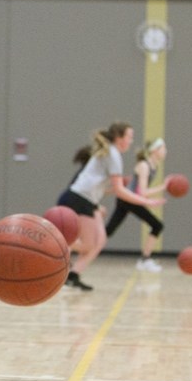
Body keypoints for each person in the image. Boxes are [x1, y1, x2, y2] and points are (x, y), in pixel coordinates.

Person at [57, 122, 164, 291]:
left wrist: (114, 188)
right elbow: (121, 192)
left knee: (100, 241)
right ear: (119, 138)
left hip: (88, 200)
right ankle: (55, 244)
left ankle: (73, 275)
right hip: (78, 199)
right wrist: (147, 201)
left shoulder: (110, 153)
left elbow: (107, 189)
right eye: (129, 136)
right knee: (88, 245)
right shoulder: (113, 155)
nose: (131, 140)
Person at [105, 138, 168, 273]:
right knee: (157, 225)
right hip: (129, 199)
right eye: (163, 148)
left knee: (108, 231)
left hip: (128, 199)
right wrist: (163, 187)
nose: (165, 151)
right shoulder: (144, 165)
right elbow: (142, 192)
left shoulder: (153, 165)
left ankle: (79, 246)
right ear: (155, 150)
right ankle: (145, 260)